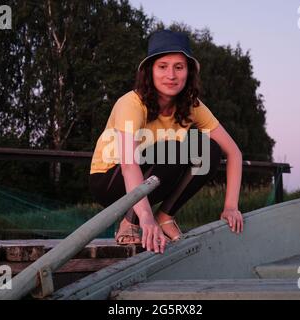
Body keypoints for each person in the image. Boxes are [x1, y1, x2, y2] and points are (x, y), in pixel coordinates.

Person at [89, 30, 243, 254]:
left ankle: (165, 216)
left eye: (178, 67)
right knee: (171, 148)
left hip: (151, 177)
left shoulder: (193, 105)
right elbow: (129, 165)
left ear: (188, 72)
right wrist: (144, 217)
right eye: (162, 66)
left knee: (207, 147)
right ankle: (129, 223)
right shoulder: (131, 103)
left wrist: (231, 207)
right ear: (149, 71)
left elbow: (234, 153)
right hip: (110, 181)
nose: (171, 75)